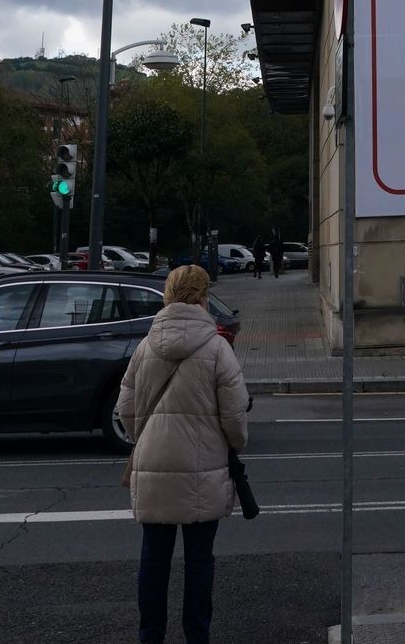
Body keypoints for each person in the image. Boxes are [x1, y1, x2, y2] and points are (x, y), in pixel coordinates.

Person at [117, 265, 249, 644]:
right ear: (204, 298)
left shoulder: (145, 346)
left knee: (153, 561)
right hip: (203, 469)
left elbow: (125, 408)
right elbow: (235, 416)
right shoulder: (216, 348)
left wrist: (146, 435)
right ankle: (197, 635)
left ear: (168, 296)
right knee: (199, 561)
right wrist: (232, 445)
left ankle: (150, 636)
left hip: (153, 466)